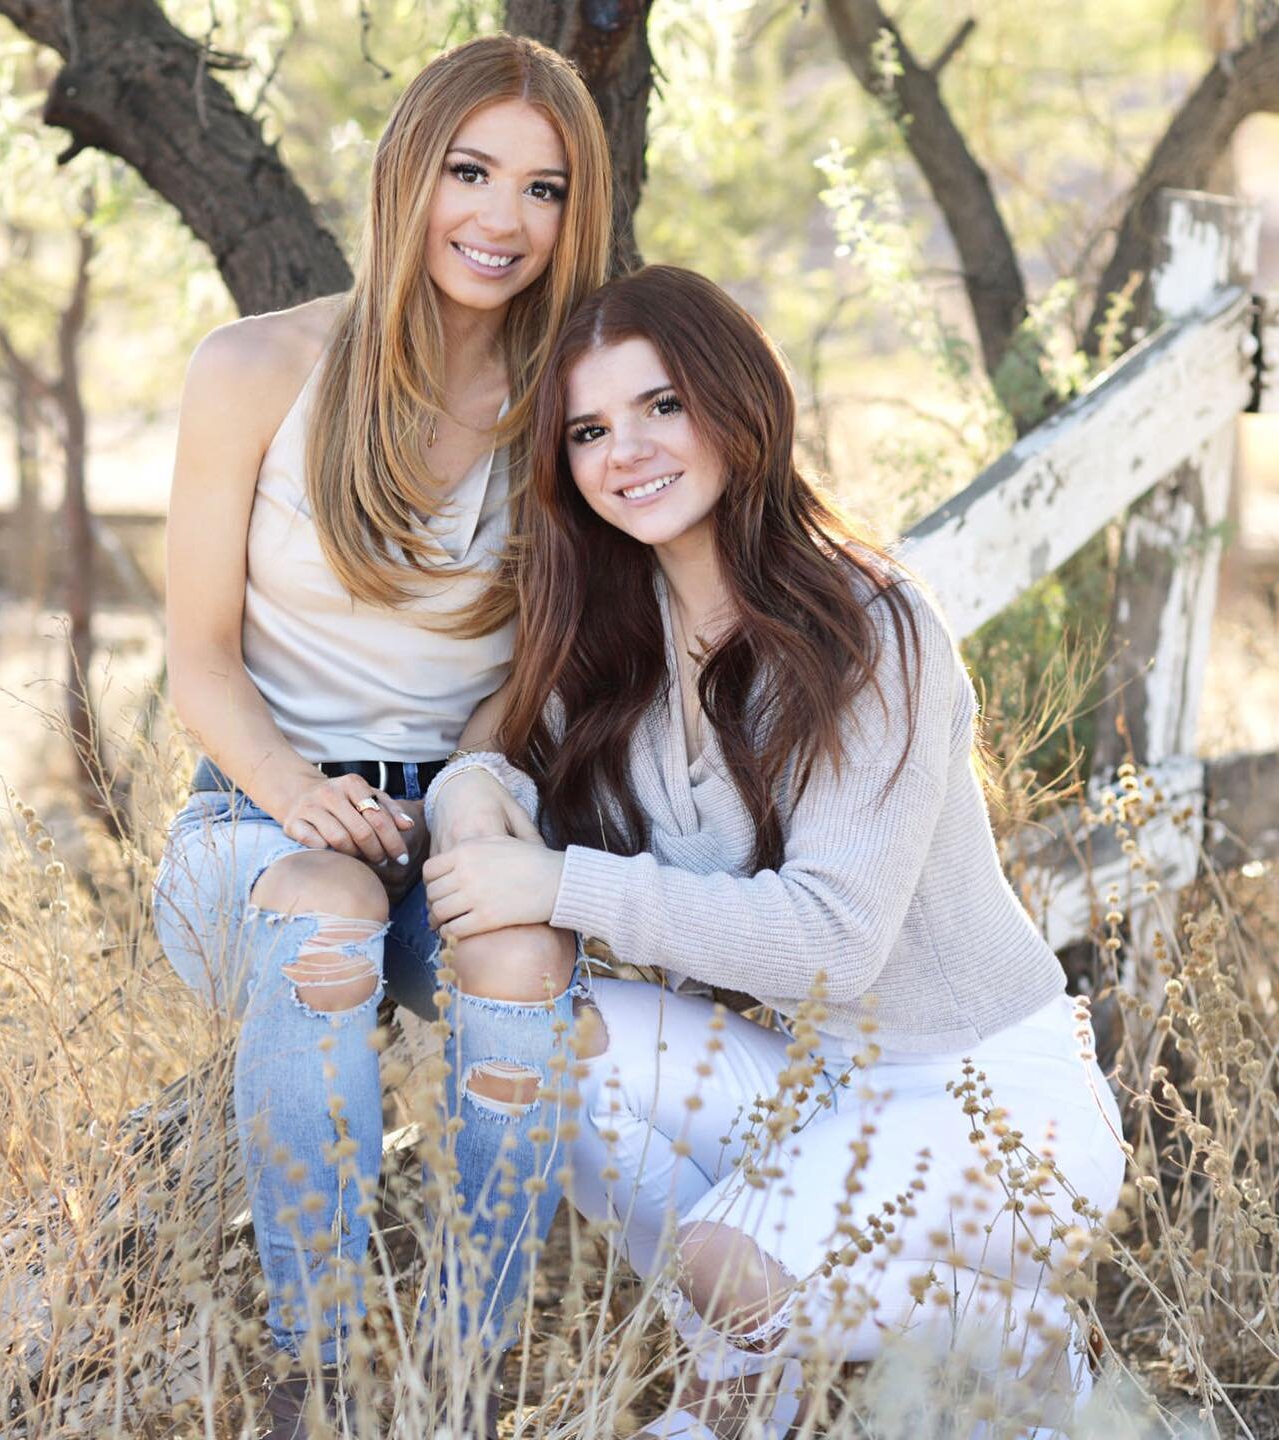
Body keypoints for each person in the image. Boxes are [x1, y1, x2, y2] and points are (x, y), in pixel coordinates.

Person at [421, 266, 1127, 1438]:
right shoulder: (623, 638)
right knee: (553, 1041)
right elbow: (496, 749)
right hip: (809, 1087)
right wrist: (463, 802)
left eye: (661, 406)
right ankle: (756, 1372)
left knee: (722, 1256)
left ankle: (1025, 1342)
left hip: (996, 1099)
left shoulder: (872, 629)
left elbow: (833, 943)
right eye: (589, 430)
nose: (627, 452)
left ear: (736, 400)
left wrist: (554, 880)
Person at [151, 35, 611, 1437]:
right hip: (257, 821)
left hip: (467, 808)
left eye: (542, 189)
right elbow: (199, 666)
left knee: (524, 950)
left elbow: (540, 659)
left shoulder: (569, 409)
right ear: (409, 174)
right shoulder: (255, 369)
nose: (501, 219)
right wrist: (302, 796)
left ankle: (467, 1377)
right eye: (470, 172)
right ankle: (323, 1372)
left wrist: (477, 790)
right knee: (330, 922)